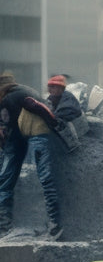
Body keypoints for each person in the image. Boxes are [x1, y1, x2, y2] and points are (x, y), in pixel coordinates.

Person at [0, 72, 62, 238]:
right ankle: (54, 225)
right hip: (31, 134)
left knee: (9, 180)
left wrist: (53, 121)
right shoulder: (23, 91)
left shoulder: (10, 98)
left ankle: (4, 228)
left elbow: (36, 107)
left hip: (36, 133)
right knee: (45, 179)